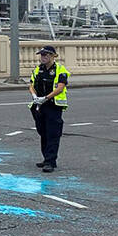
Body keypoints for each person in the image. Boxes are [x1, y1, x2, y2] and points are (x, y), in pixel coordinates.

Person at [29, 45, 69, 173]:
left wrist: (46, 97)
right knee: (43, 132)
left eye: (46, 55)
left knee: (52, 133)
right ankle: (46, 157)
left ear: (53, 56)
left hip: (53, 105)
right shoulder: (38, 69)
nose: (43, 57)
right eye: (42, 55)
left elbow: (60, 87)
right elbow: (31, 85)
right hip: (39, 105)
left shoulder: (60, 70)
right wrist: (35, 96)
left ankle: (50, 161)